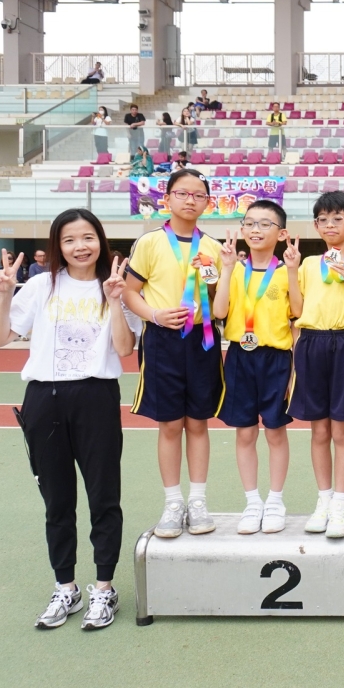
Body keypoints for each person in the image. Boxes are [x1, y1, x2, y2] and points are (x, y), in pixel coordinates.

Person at [0, 211, 139, 631]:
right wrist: (5, 294)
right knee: (57, 501)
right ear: (58, 245)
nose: (79, 246)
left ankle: (104, 588)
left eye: (88, 237)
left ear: (100, 241)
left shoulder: (115, 286)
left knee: (103, 497)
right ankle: (65, 588)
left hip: (96, 397)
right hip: (44, 399)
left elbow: (125, 349)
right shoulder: (41, 286)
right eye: (69, 239)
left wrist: (115, 300)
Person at [123, 169, 226, 539]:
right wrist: (155, 315)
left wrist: (214, 276)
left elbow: (218, 298)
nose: (190, 200)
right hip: (161, 340)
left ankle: (197, 501)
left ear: (208, 203)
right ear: (167, 198)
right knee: (169, 424)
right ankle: (172, 502)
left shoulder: (214, 248)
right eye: (182, 193)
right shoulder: (150, 242)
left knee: (198, 422)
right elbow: (130, 292)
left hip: (202, 339)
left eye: (198, 195)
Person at [289, 192, 344, 537]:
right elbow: (297, 310)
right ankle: (323, 501)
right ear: (315, 225)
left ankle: (340, 505)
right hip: (309, 344)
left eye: (337, 219)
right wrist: (291, 270)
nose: (329, 225)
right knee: (319, 430)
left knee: (341, 429)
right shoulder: (308, 264)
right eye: (323, 219)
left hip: (343, 344)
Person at [211, 202, 298, 535]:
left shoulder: (286, 271)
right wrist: (227, 269)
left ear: (282, 233)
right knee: (245, 432)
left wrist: (292, 271)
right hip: (239, 357)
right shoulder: (234, 270)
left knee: (275, 431)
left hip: (276, 359)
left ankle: (275, 500)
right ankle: (252, 502)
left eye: (265, 224)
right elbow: (220, 312)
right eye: (249, 223)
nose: (256, 230)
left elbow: (298, 313)